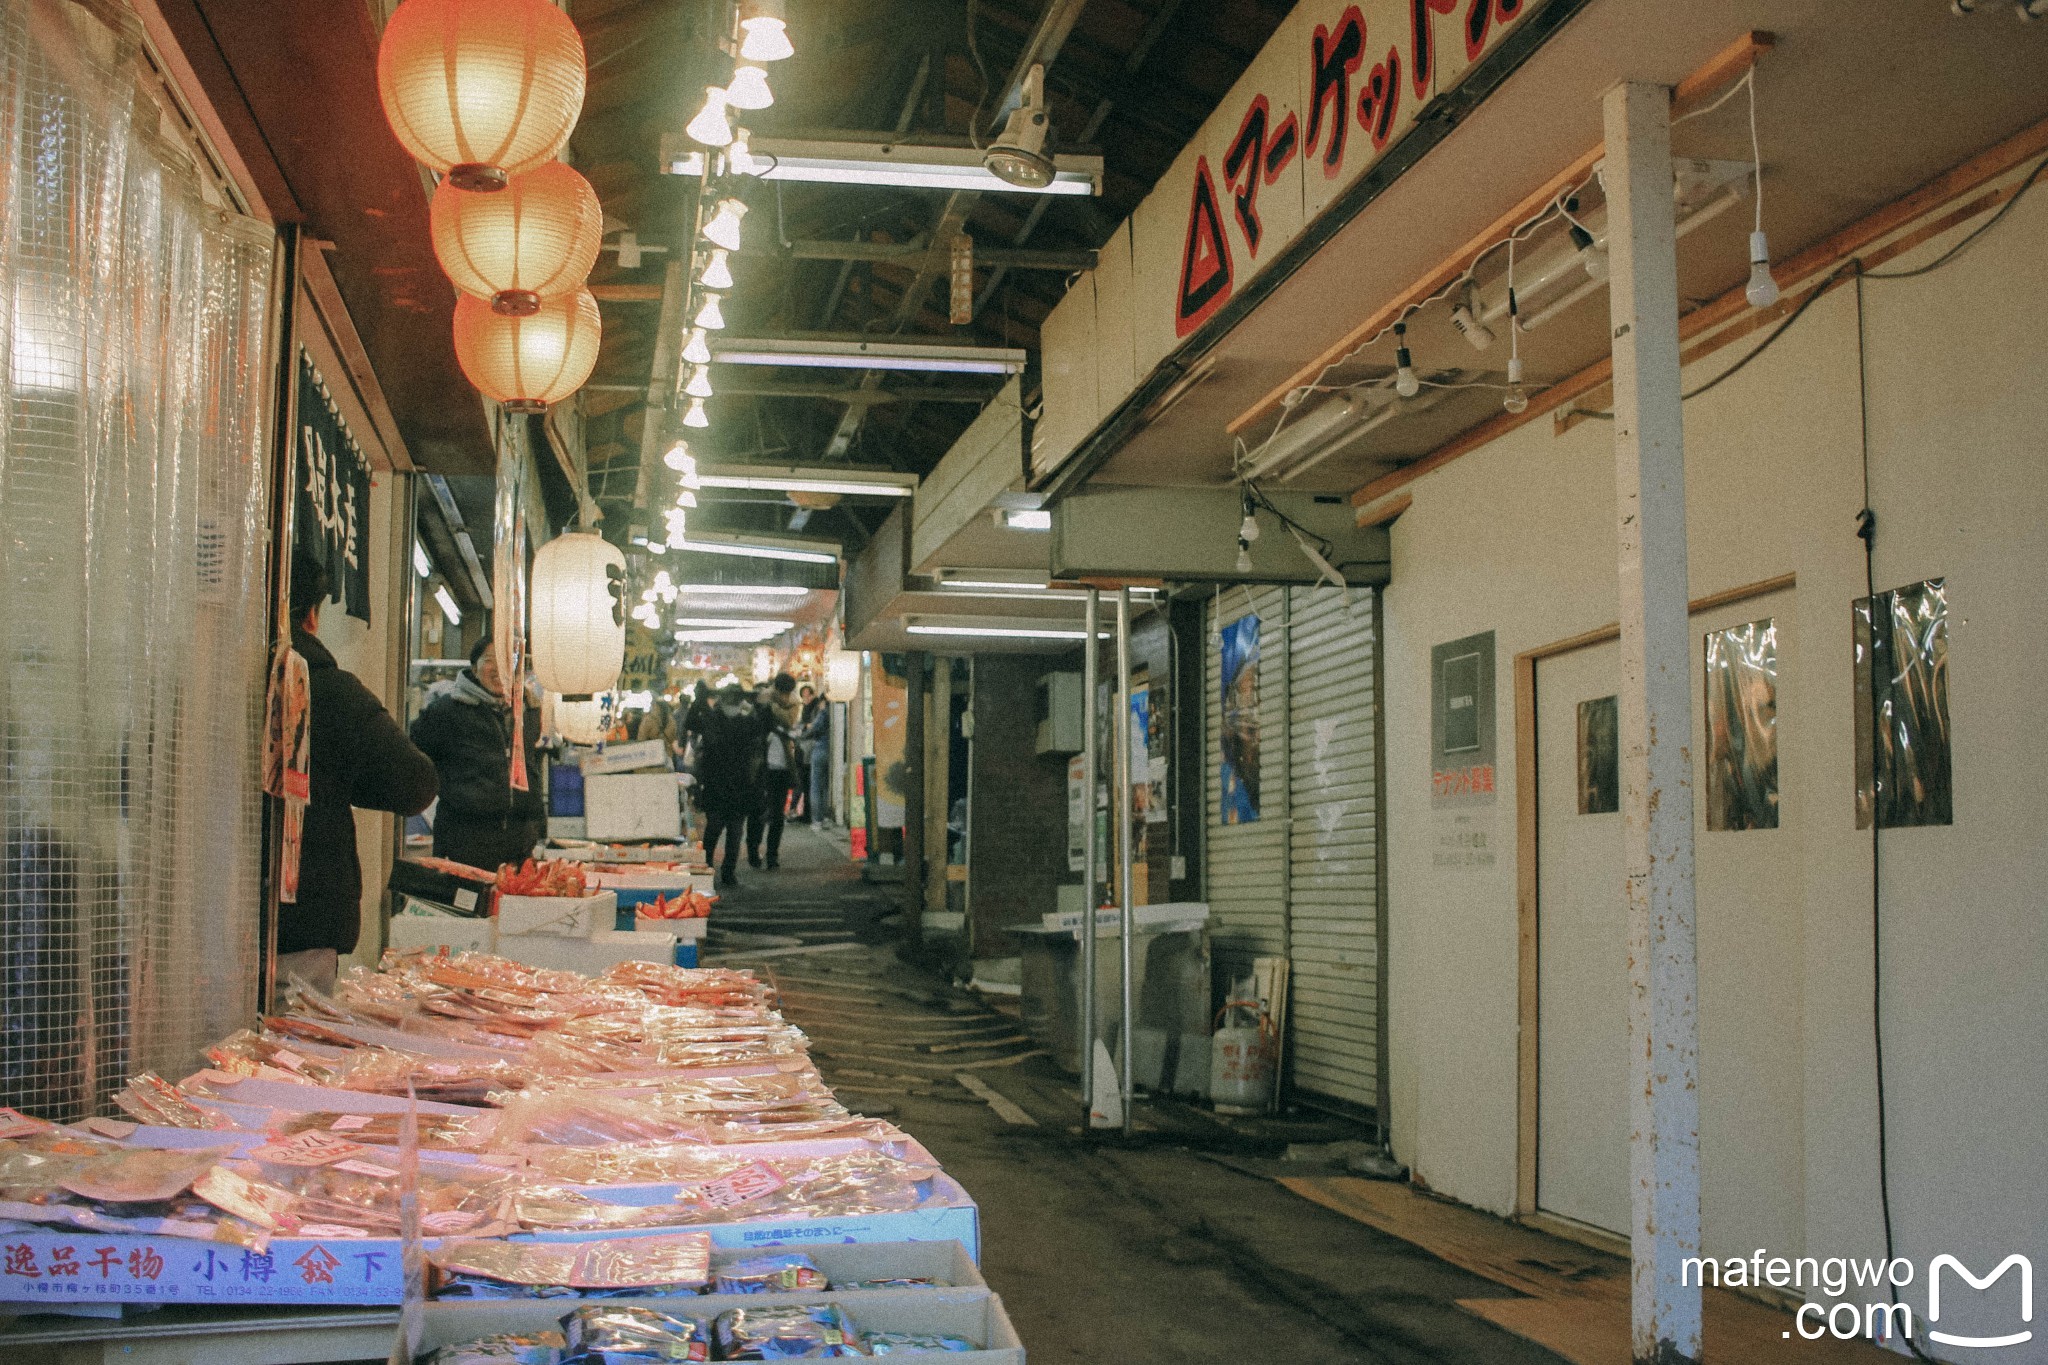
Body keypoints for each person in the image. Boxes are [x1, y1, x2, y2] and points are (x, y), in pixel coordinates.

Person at [281, 551, 438, 995]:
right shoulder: (329, 690)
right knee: (287, 1055)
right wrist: (338, 776)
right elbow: (414, 782)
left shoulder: (201, 682)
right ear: (311, 616)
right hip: (301, 923)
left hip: (192, 926)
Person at [410, 633, 547, 872]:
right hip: (464, 847)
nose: (498, 669)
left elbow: (530, 767)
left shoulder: (527, 711)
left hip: (518, 849)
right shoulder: (446, 712)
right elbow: (414, 757)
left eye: (507, 660)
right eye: (490, 660)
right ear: (474, 668)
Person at [696, 681, 763, 887]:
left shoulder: (718, 720)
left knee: (722, 831)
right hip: (731, 786)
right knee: (727, 832)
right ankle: (721, 871)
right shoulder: (739, 722)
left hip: (725, 786)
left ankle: (716, 870)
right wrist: (758, 705)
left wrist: (700, 699)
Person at [748, 673, 800, 868]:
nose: (786, 697)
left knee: (777, 814)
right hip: (761, 766)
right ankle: (754, 852)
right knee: (759, 811)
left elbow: (789, 722)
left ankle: (772, 856)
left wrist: (773, 707)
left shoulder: (791, 704)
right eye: (783, 692)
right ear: (776, 689)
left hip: (782, 766)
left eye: (788, 693)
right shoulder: (761, 702)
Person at [799, 686, 831, 826]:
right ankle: (823, 817)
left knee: (816, 785)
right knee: (824, 785)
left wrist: (800, 735)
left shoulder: (823, 712)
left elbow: (813, 728)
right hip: (831, 750)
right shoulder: (840, 713)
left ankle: (817, 819)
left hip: (820, 748)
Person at [789, 684, 819, 819]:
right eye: (804, 695)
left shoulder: (816, 708)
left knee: (804, 781)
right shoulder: (808, 708)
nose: (806, 698)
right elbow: (803, 724)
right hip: (805, 749)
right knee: (804, 781)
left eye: (808, 695)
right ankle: (801, 811)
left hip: (809, 749)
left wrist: (801, 731)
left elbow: (812, 727)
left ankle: (804, 812)